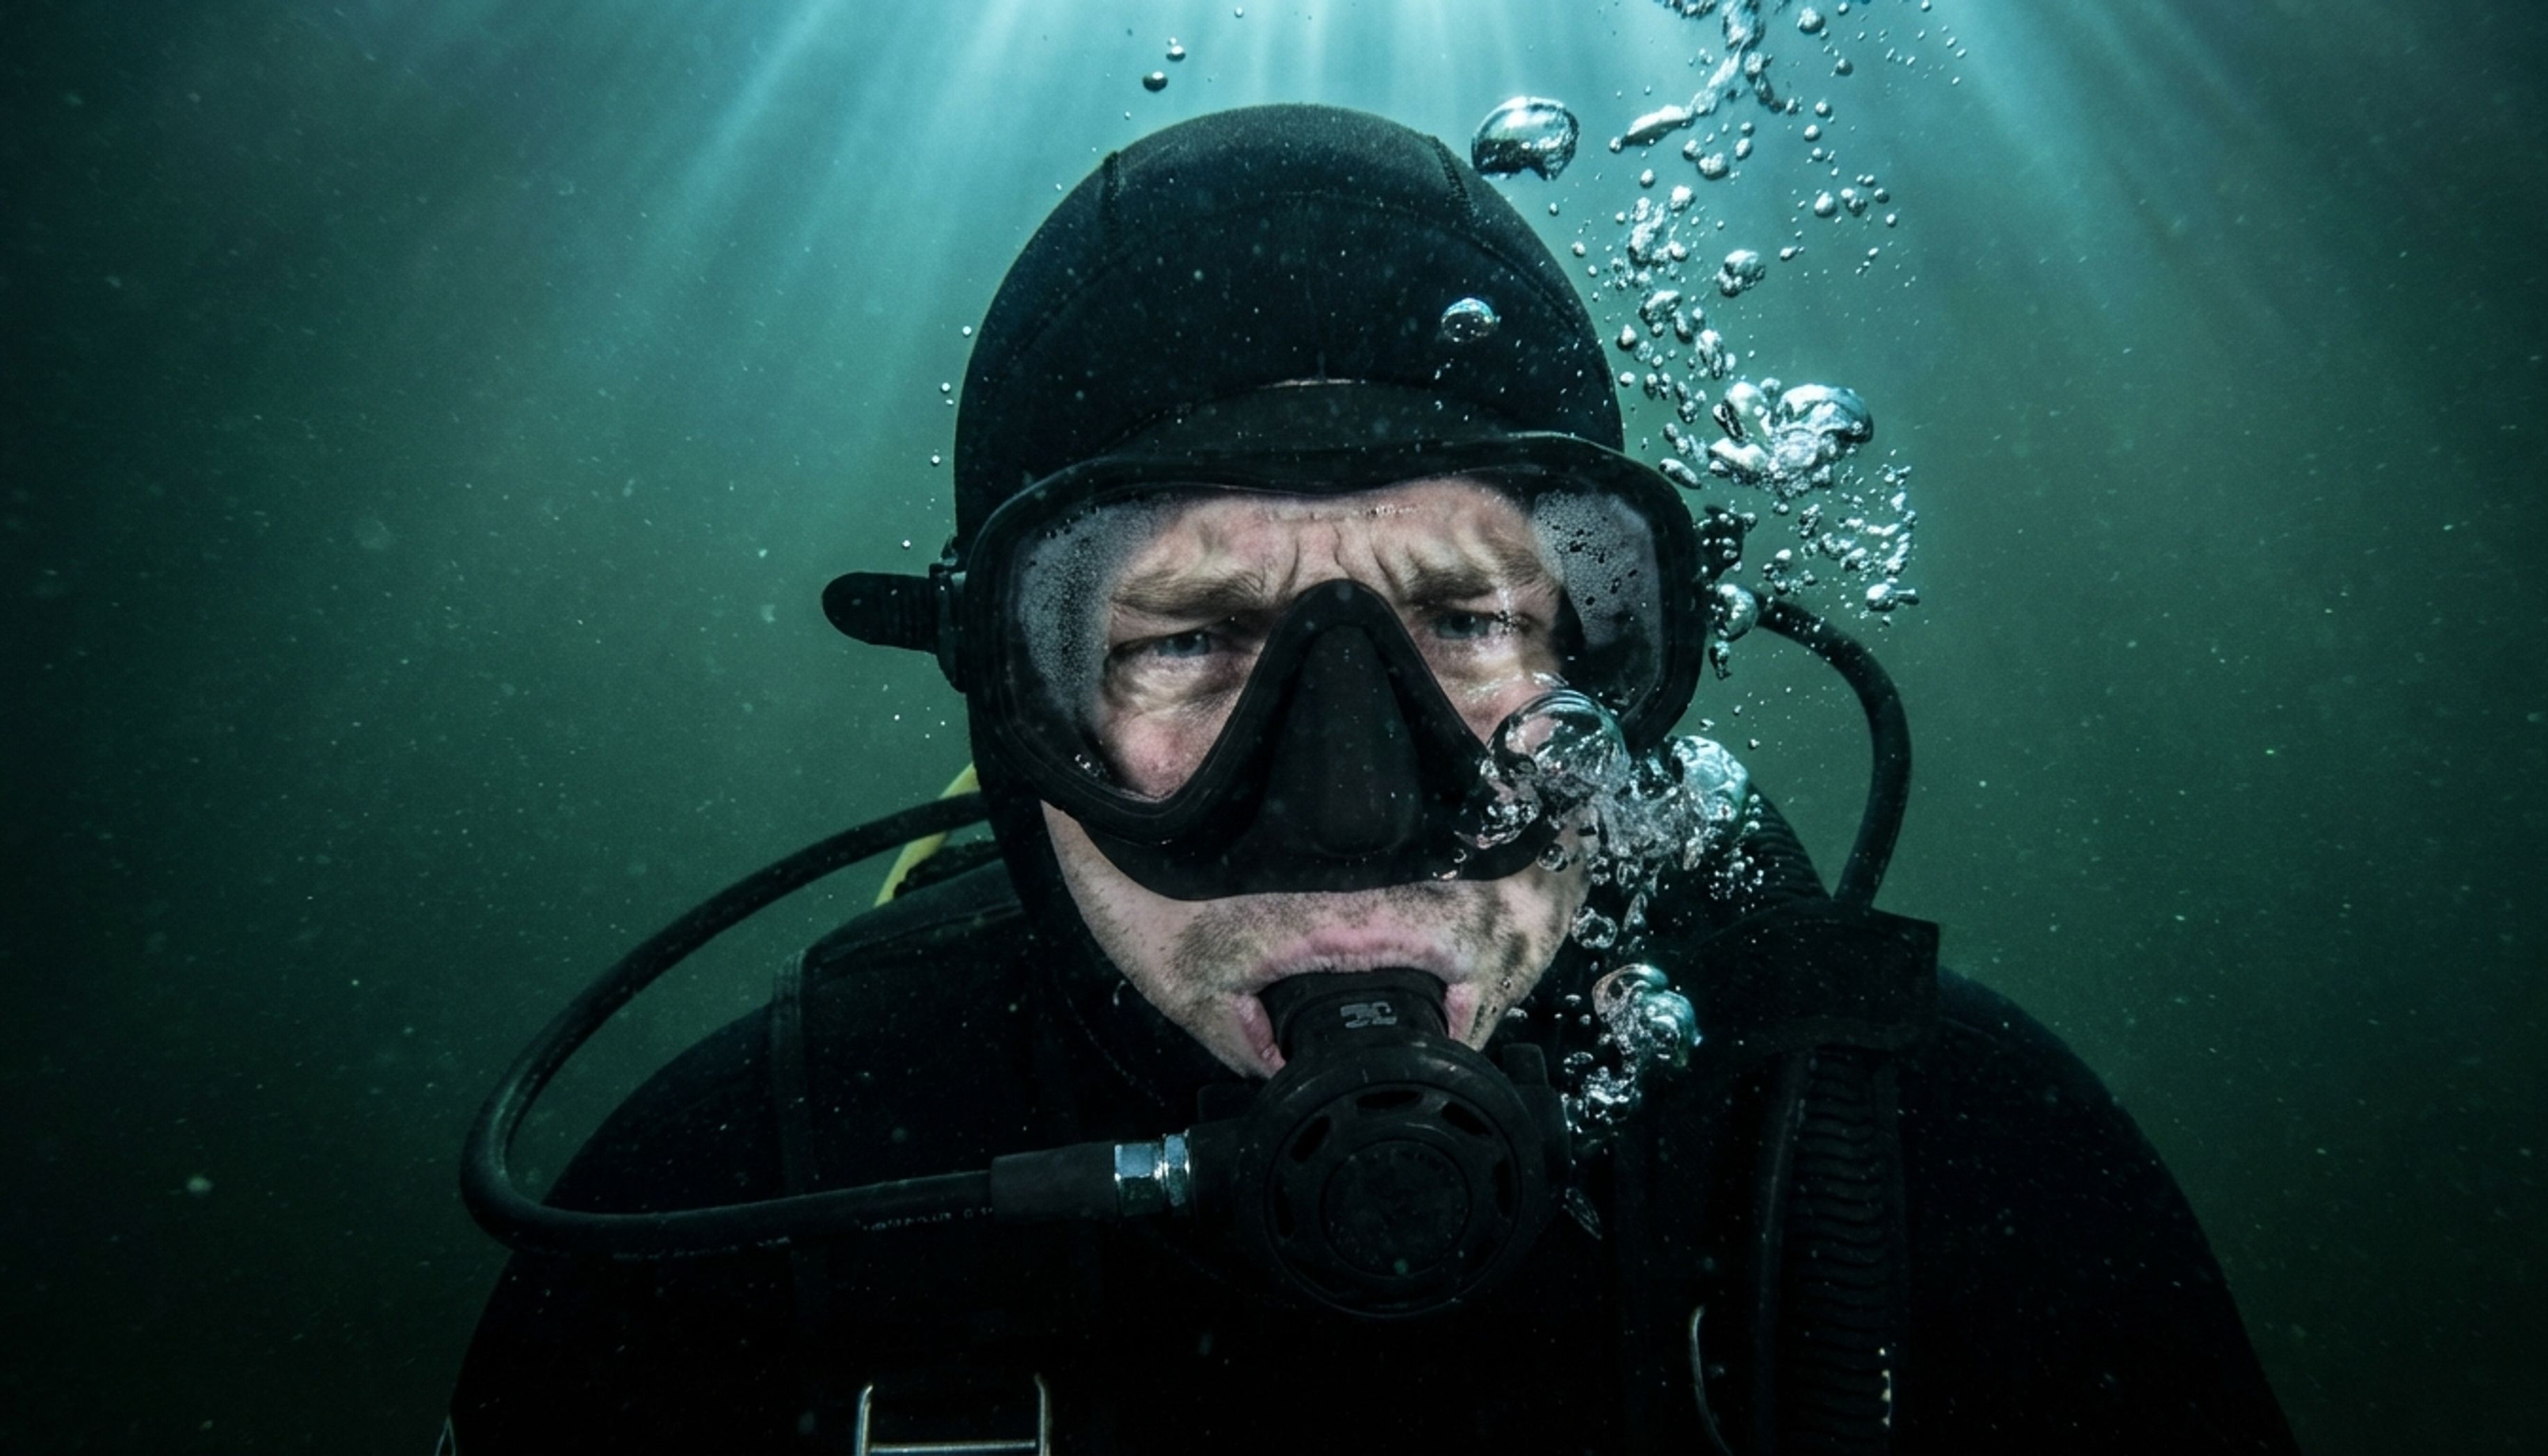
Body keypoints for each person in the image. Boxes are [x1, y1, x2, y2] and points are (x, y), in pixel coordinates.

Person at [448, 104, 2296, 1454]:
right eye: (1183, 642)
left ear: (1627, 661)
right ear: (1012, 711)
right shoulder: (730, 1215)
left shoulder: (1951, 1170)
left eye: (1470, 621)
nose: (1354, 810)